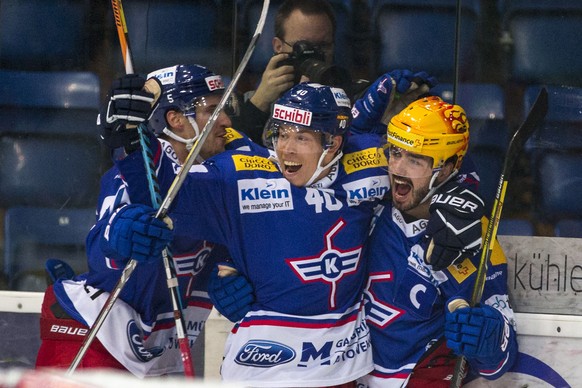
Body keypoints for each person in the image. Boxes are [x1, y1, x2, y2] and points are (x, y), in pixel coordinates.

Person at [35, 64, 251, 377]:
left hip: (155, 350)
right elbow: (100, 248)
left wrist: (233, 276)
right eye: (213, 110)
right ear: (176, 119)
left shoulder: (222, 174)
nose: (227, 121)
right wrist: (119, 238)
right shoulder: (139, 172)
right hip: (95, 337)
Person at [358, 96, 518, 387]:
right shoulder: (368, 204)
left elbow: (499, 363)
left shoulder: (470, 234)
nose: (397, 168)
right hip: (341, 373)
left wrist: (489, 337)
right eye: (395, 153)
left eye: (415, 159)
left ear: (445, 169)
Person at [233, 0, 353, 143]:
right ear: (279, 47)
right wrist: (259, 104)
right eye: (304, 47)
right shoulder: (248, 105)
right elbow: (232, 152)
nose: (316, 56)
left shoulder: (349, 100)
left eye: (323, 46)